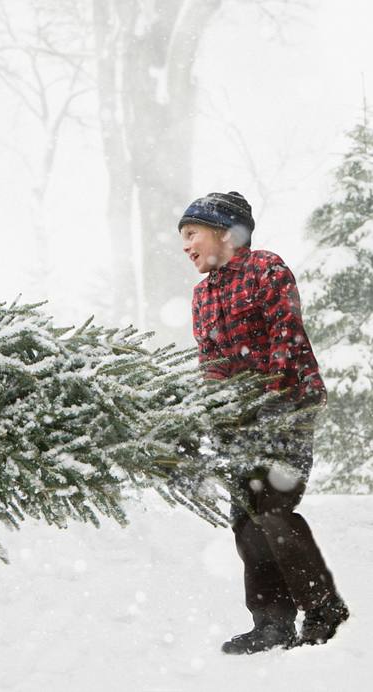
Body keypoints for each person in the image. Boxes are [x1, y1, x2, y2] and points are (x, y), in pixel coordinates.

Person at [179, 191, 349, 655]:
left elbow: (285, 333)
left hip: (287, 407)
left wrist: (274, 396)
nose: (185, 245)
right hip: (239, 420)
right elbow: (210, 360)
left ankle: (322, 606)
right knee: (246, 518)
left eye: (191, 233)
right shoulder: (202, 294)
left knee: (270, 504)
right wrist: (210, 411)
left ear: (224, 231)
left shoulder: (265, 269)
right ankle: (271, 622)